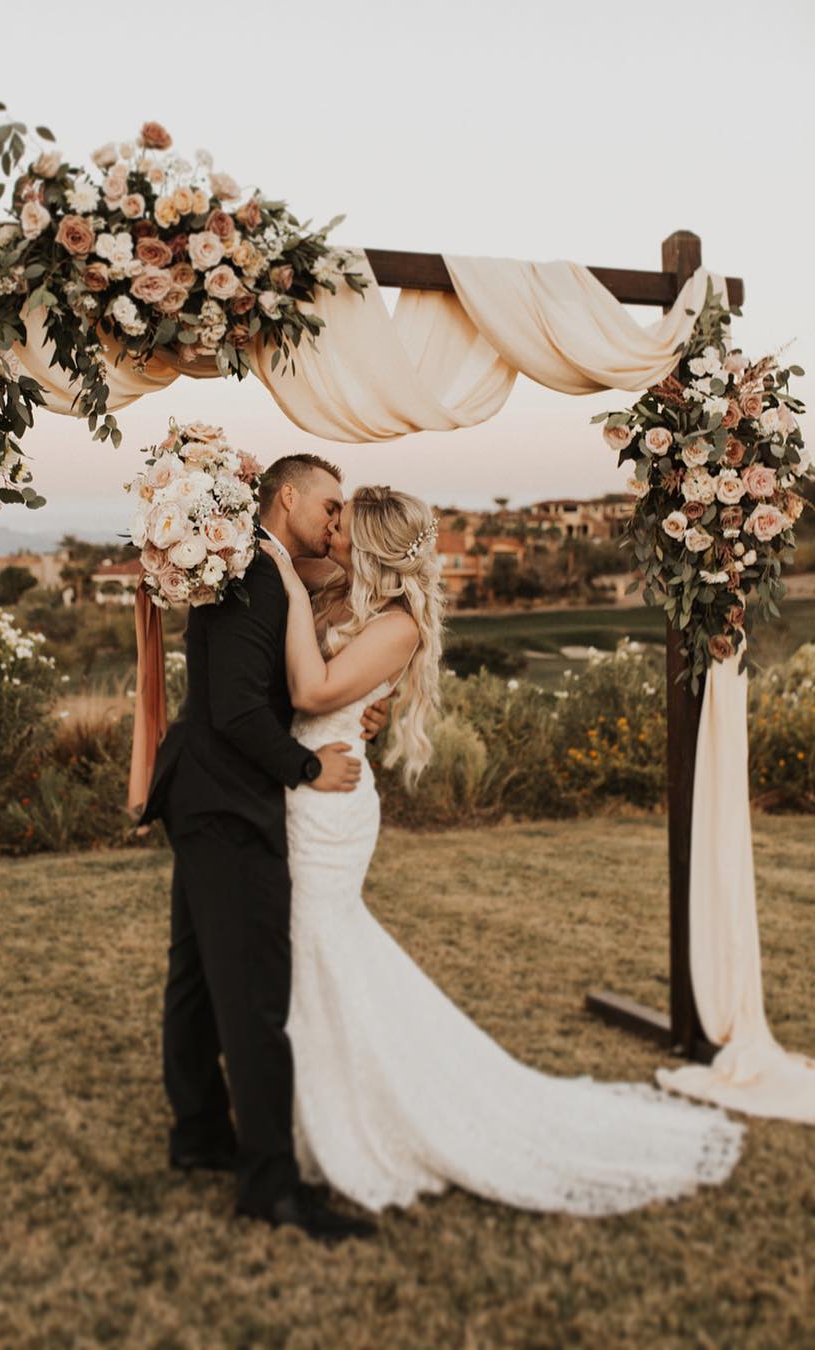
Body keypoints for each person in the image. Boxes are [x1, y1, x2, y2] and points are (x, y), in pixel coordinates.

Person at [259, 483, 744, 1217]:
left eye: (342, 527)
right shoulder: (341, 591)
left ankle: (360, 1115)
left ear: (373, 549)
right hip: (303, 788)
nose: (329, 532)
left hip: (331, 805)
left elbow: (310, 688)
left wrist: (293, 596)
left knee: (322, 944)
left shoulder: (396, 624)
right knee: (309, 952)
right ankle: (305, 1111)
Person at [141, 454, 386, 1242]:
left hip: (200, 792)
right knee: (251, 997)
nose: (335, 520)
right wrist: (310, 766)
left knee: (195, 977)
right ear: (288, 498)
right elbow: (241, 712)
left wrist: (344, 720)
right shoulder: (250, 574)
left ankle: (201, 1132)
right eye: (329, 504)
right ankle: (269, 1183)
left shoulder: (248, 565)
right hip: (228, 803)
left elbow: (262, 694)